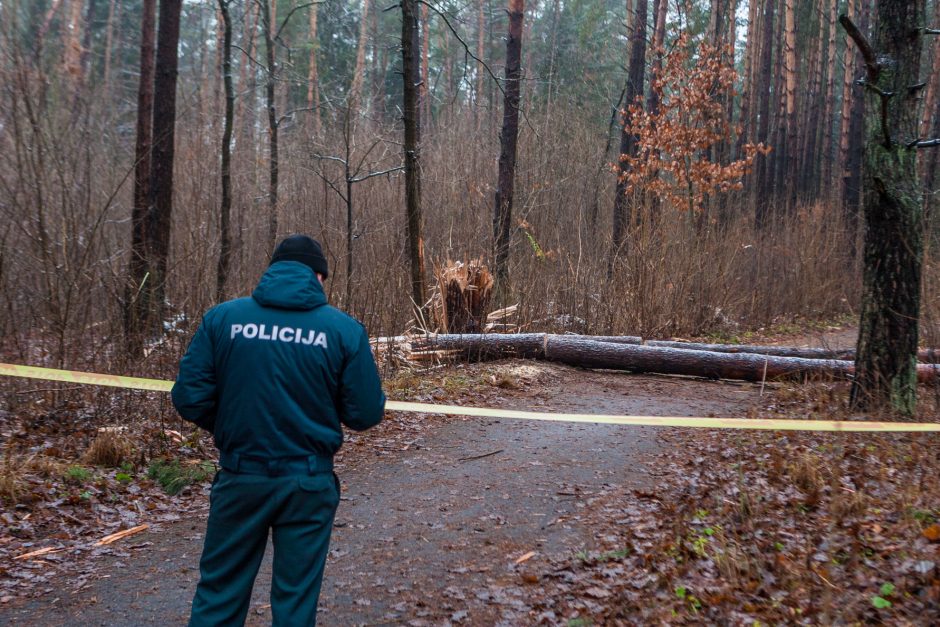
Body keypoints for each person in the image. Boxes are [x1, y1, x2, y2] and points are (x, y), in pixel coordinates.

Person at [172, 234, 385, 626]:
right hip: (307, 482)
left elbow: (189, 398)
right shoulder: (343, 330)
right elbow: (366, 413)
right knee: (295, 599)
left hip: (240, 477)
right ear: (319, 277)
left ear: (271, 271)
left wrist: (231, 425)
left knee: (219, 593)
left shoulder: (223, 319)